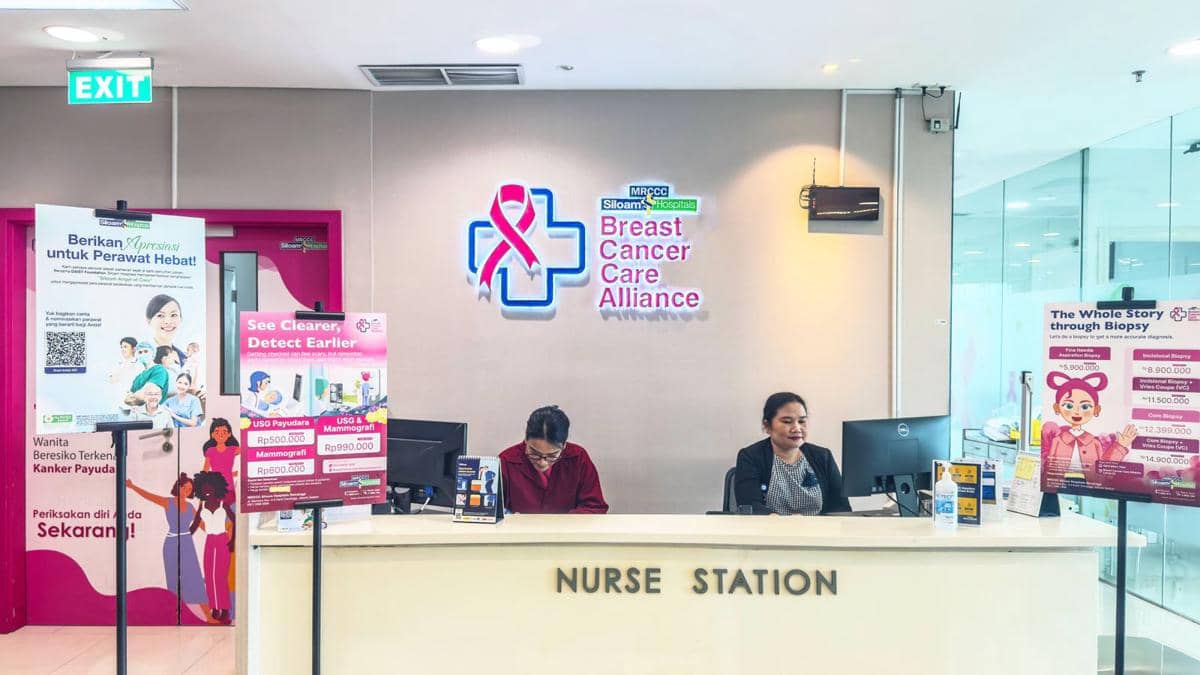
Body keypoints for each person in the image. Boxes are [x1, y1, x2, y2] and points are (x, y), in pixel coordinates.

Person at [734, 392, 851, 515]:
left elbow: (841, 508)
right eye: (787, 421)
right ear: (767, 426)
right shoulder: (750, 457)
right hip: (771, 526)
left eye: (801, 421)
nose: (796, 428)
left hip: (818, 526)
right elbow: (750, 507)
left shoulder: (823, 456)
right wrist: (788, 522)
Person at [126, 474, 212, 623]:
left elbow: (203, 526)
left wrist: (220, 534)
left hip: (187, 544)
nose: (186, 491)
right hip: (171, 544)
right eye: (184, 487)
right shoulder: (168, 502)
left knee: (195, 577)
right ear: (178, 487)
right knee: (173, 580)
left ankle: (208, 617)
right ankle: (175, 615)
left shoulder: (191, 507)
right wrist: (133, 487)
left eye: (189, 489)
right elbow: (149, 496)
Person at [499, 405, 608, 514]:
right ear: (526, 440)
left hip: (568, 525)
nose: (542, 462)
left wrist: (564, 521)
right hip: (519, 525)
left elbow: (594, 506)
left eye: (552, 455)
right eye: (534, 453)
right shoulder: (506, 461)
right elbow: (493, 509)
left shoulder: (578, 458)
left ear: (564, 445)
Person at [1040, 371, 1135, 486]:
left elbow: (1103, 468)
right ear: (1057, 408)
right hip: (1059, 485)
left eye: (1085, 406)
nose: (1076, 412)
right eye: (1069, 406)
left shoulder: (1093, 442)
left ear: (1096, 410)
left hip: (1089, 488)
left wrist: (1120, 446)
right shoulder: (1058, 440)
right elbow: (1049, 468)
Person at [190, 471, 235, 625]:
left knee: (220, 577)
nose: (207, 490)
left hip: (222, 540)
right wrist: (184, 537)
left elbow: (235, 521)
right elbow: (195, 525)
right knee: (210, 577)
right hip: (209, 542)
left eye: (210, 487)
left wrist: (232, 540)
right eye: (204, 487)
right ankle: (215, 608)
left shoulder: (223, 504)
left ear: (216, 487)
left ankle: (225, 610)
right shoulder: (202, 506)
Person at [201, 418, 240, 507]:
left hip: (229, 489)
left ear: (229, 434)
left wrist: (233, 474)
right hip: (215, 489)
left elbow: (247, 449)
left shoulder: (233, 449)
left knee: (230, 511)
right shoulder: (210, 451)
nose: (221, 434)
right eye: (217, 432)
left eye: (224, 431)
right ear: (212, 435)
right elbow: (205, 472)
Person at [122, 364, 174, 429]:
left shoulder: (159, 370)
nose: (153, 396)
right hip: (137, 418)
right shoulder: (139, 377)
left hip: (156, 417)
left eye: (156, 394)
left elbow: (148, 394)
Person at [146, 294, 187, 367]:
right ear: (149, 321)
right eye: (160, 315)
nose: (168, 322)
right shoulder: (141, 355)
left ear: (181, 319)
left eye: (173, 315)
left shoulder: (184, 358)